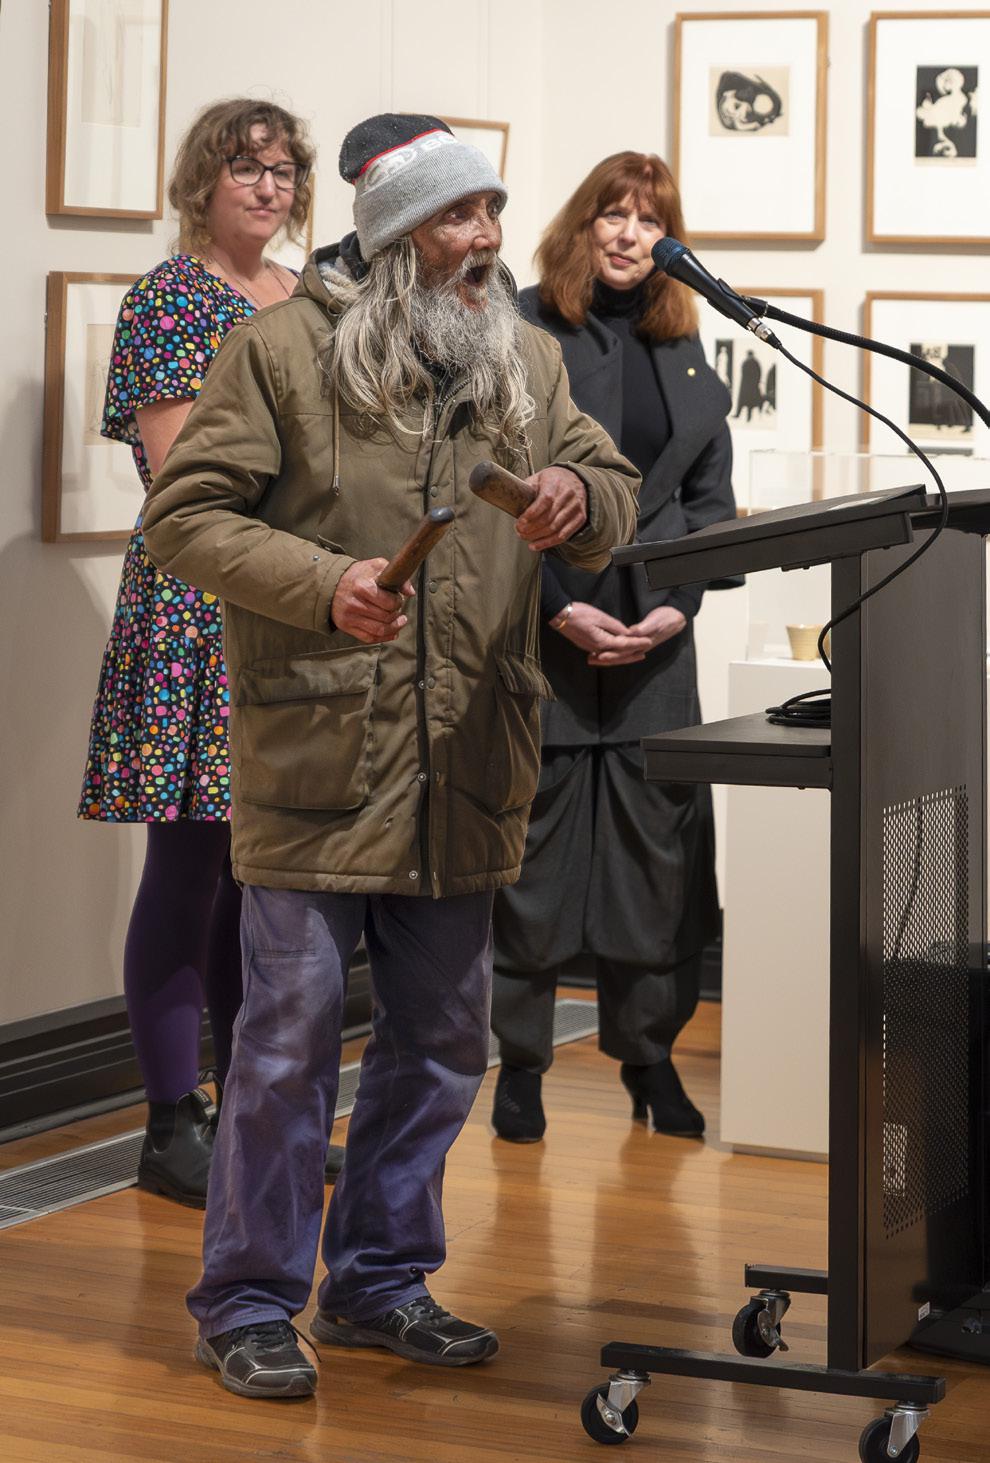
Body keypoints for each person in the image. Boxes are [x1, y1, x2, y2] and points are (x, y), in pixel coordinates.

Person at [141, 113, 639, 1400]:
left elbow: (608, 487)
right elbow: (183, 518)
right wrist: (323, 583)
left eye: (492, 210)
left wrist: (580, 500)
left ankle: (376, 1280)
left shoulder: (524, 357)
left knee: (443, 1042)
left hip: (467, 760)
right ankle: (248, 1299)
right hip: (321, 757)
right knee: (286, 1046)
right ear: (395, 233)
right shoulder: (280, 353)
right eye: (459, 214)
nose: (487, 236)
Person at [78, 100, 318, 1207]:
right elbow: (185, 473)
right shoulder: (170, 297)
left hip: (286, 596)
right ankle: (170, 1124)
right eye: (245, 169)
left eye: (283, 170)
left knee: (255, 875)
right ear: (201, 184)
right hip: (197, 602)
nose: (267, 188)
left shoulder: (302, 294)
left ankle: (248, 1117)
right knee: (187, 867)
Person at [490, 151, 736, 1144]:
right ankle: (519, 1066)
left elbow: (710, 501)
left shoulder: (684, 343)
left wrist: (681, 606)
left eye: (651, 218)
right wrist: (557, 607)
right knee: (529, 856)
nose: (632, 234)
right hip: (543, 627)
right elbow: (489, 487)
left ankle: (650, 1058)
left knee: (654, 858)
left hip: (656, 639)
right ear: (581, 225)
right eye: (614, 214)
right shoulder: (521, 327)